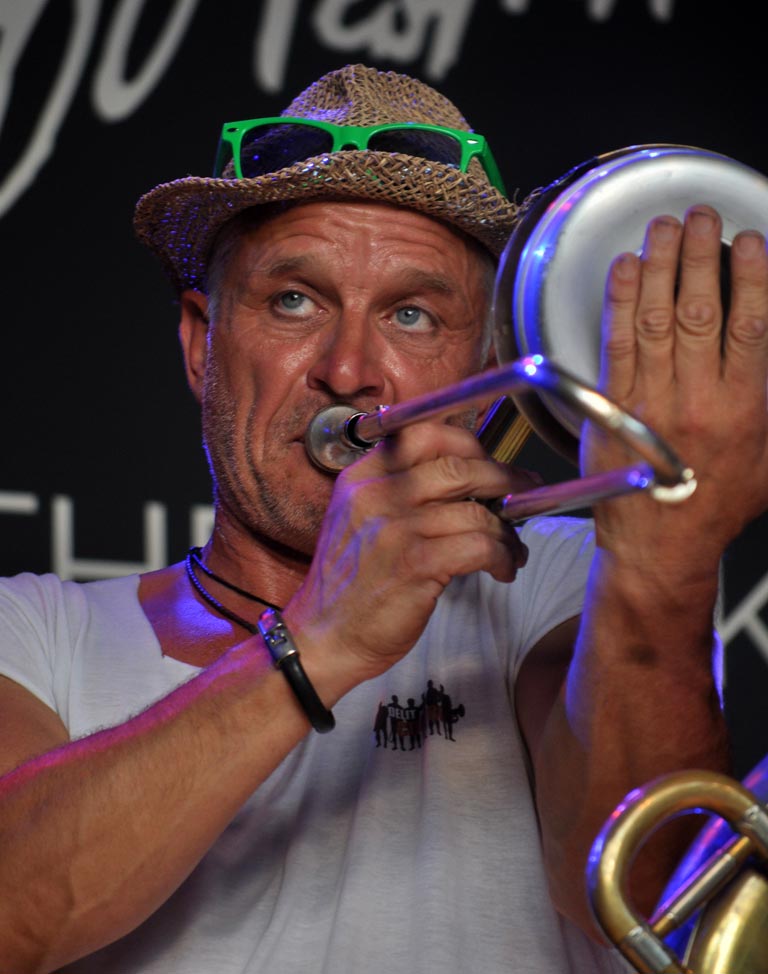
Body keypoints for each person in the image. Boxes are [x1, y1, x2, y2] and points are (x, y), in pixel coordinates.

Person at [0, 63, 766, 974]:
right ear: (203, 343)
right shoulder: (34, 633)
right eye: (294, 301)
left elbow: (649, 906)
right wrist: (319, 641)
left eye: (411, 314)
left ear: (483, 368)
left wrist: (666, 561)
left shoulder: (561, 584)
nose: (350, 370)